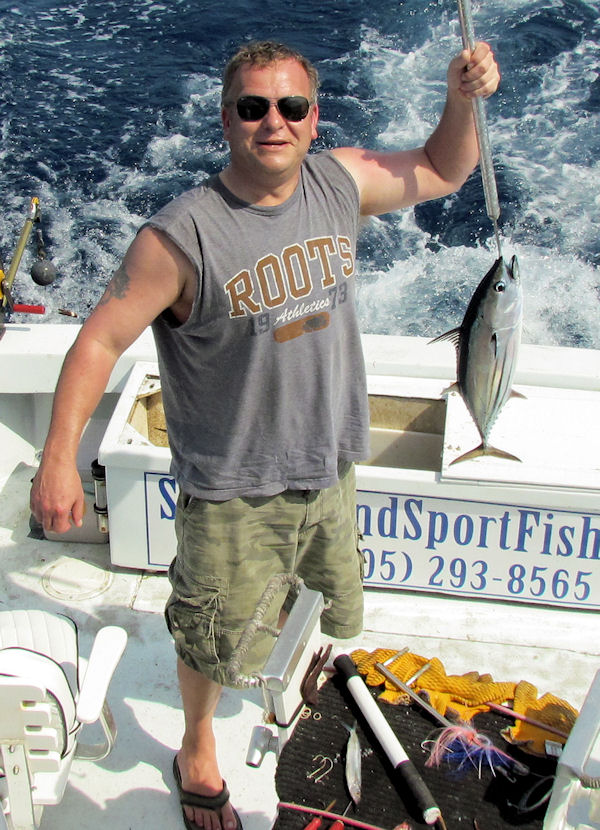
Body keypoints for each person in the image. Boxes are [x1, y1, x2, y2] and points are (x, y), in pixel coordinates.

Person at [31, 38, 500, 830]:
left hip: (330, 462)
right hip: (233, 488)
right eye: (253, 108)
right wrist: (57, 462)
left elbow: (445, 168)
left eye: (290, 107)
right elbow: (99, 342)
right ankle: (196, 743)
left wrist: (463, 99)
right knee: (210, 635)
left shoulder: (338, 182)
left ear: (314, 120)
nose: (272, 122)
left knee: (317, 600)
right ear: (227, 121)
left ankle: (290, 670)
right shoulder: (179, 237)